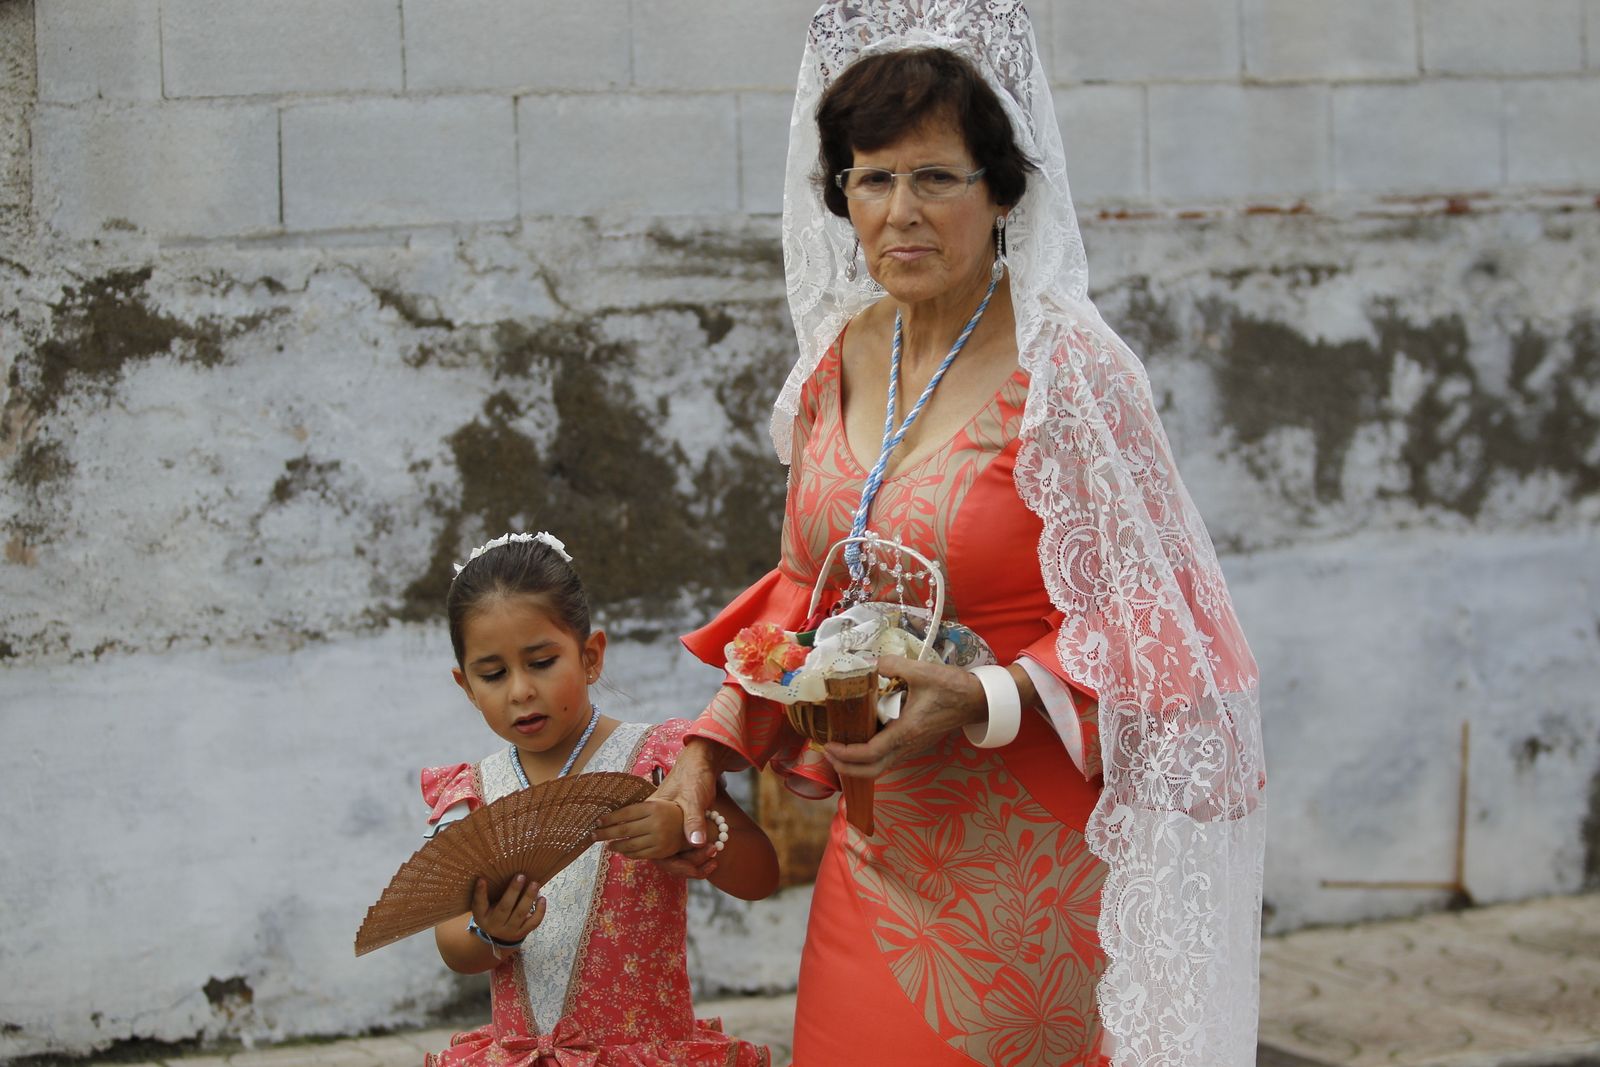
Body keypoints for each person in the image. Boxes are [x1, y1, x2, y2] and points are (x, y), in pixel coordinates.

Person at [652, 3, 1267, 1065]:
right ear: (838, 193)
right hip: (881, 848)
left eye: (936, 177)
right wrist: (712, 742)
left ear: (1002, 192)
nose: (900, 211)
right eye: (871, 177)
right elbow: (806, 585)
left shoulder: (1073, 373)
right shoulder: (835, 356)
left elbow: (1169, 626)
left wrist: (984, 694)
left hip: (1041, 867)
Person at [419, 531, 778, 1067]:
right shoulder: (471, 798)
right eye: (492, 674)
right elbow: (454, 947)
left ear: (590, 657)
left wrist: (687, 830)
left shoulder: (658, 761)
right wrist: (491, 933)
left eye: (541, 662)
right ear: (466, 686)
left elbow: (761, 875)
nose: (519, 691)